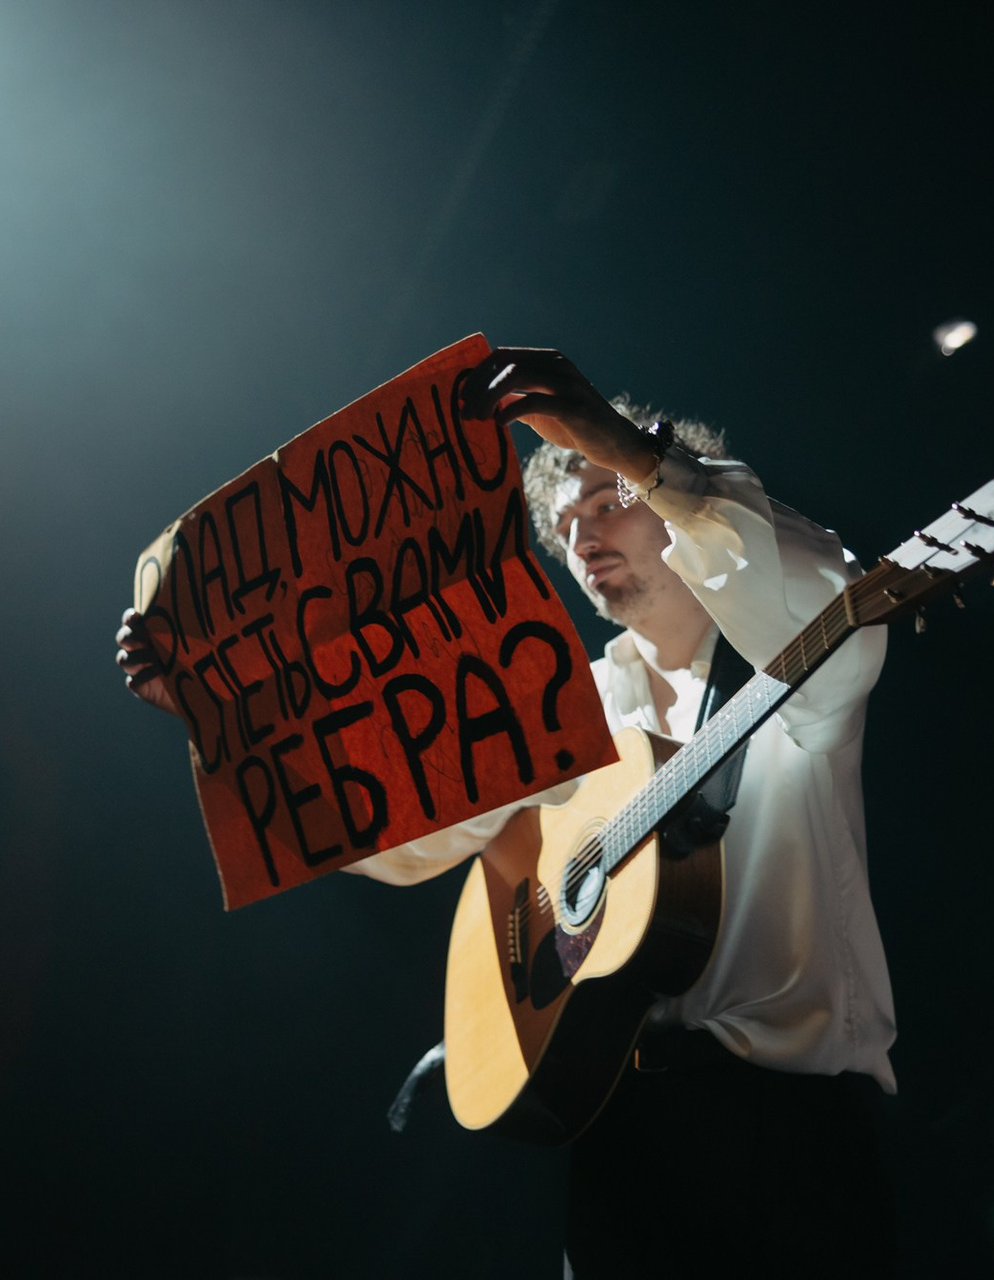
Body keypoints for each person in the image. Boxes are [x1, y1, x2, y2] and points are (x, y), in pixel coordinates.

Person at [117, 348, 897, 1277]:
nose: (583, 534)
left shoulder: (787, 657)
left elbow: (833, 606)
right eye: (563, 526)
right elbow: (399, 832)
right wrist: (223, 715)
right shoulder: (559, 706)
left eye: (607, 501)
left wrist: (631, 451)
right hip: (621, 1136)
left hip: (791, 1131)